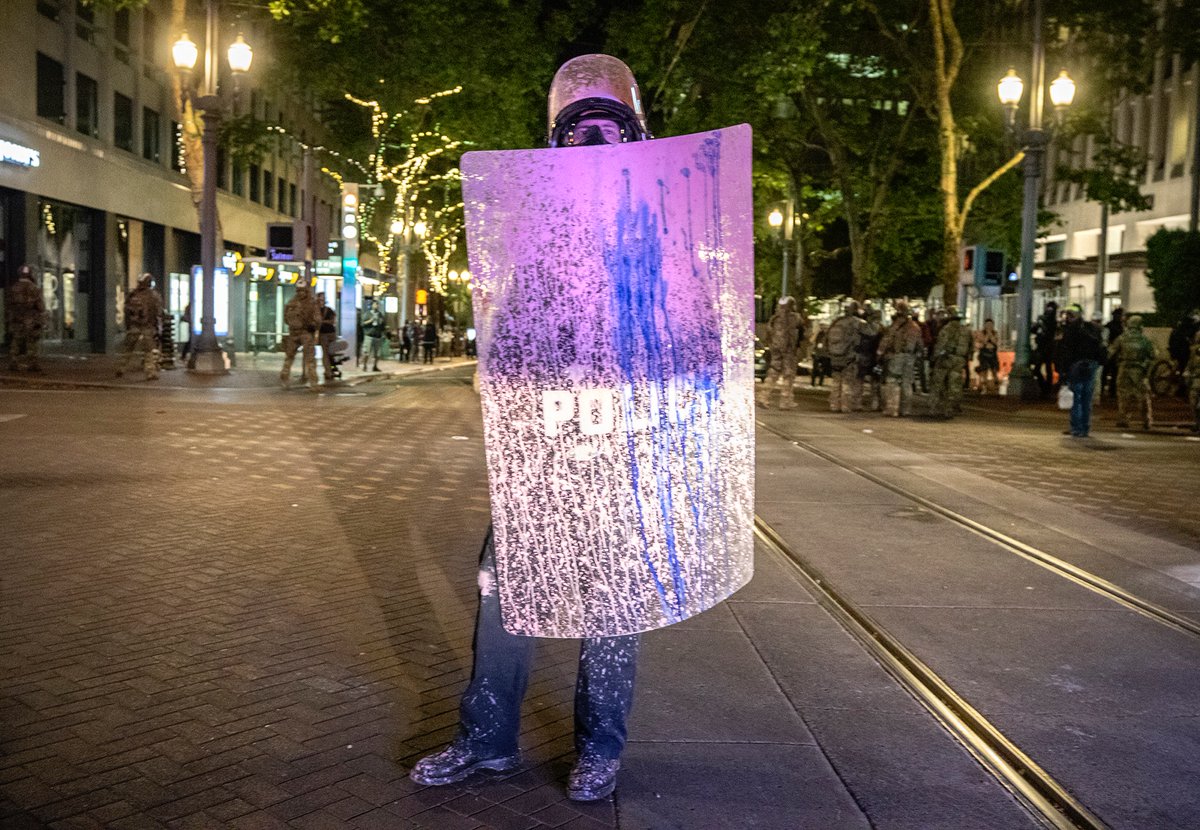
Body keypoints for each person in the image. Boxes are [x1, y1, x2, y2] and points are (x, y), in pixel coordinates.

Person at [409, 53, 656, 805]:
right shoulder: (539, 237)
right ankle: (486, 744)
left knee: (612, 608)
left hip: (618, 451)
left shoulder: (654, 236)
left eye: (607, 134)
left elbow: (689, 343)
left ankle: (599, 749)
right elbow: (507, 341)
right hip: (542, 453)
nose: (591, 150)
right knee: (505, 597)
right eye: (578, 135)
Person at [1056, 304, 1106, 438]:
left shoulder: (1070, 330)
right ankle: (1085, 428)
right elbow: (1100, 348)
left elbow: (1066, 352)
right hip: (1091, 365)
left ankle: (1076, 428)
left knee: (1077, 397)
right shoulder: (1091, 328)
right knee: (1086, 398)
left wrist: (1063, 372)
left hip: (1076, 365)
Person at [1108, 314, 1156, 430]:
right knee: (1143, 396)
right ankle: (1146, 420)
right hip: (1139, 371)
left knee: (1123, 395)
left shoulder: (1122, 338)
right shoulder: (1145, 340)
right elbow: (1153, 355)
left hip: (1124, 369)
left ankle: (1123, 419)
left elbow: (1110, 352)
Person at [877, 301, 923, 417]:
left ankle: (892, 409)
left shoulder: (895, 326)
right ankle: (906, 409)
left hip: (896, 357)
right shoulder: (915, 327)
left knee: (892, 382)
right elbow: (920, 345)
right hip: (910, 358)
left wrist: (879, 354)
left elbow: (886, 341)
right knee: (907, 383)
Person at [756, 296, 801, 409]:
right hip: (788, 351)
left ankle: (763, 397)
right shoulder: (794, 317)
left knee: (773, 373)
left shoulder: (774, 319)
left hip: (775, 350)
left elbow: (768, 336)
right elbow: (800, 332)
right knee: (788, 375)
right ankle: (785, 401)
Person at [928, 305, 972, 418]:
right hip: (959, 360)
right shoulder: (966, 330)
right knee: (954, 385)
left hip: (946, 358)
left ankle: (933, 408)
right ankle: (950, 409)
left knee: (937, 383)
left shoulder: (946, 329)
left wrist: (934, 358)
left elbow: (940, 345)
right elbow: (970, 348)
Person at [116, 273, 162, 380]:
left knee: (127, 349)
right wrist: (157, 327)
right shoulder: (153, 295)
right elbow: (158, 312)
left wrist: (128, 325)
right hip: (147, 326)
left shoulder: (132, 295)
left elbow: (126, 311)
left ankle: (121, 368)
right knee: (148, 351)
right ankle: (150, 372)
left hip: (133, 326)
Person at [825, 301, 864, 412]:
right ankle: (845, 406)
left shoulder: (836, 322)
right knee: (847, 382)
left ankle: (834, 405)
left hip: (835, 356)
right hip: (848, 356)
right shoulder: (857, 323)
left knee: (836, 382)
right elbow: (871, 332)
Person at [5, 264, 45, 372]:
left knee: (16, 340)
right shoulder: (35, 288)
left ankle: (13, 361)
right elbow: (41, 306)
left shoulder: (13, 288)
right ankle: (32, 363)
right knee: (32, 341)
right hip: (31, 319)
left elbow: (8, 304)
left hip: (16, 318)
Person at [280, 281, 320, 387]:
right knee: (310, 359)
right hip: (306, 333)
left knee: (289, 357)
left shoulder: (291, 302)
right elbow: (317, 319)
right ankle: (313, 382)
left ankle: (284, 378)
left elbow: (285, 319)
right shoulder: (311, 303)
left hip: (293, 333)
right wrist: (315, 328)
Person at [857, 307, 884, 411]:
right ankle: (875, 403)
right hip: (876, 358)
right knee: (876, 381)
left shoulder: (862, 327)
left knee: (860, 380)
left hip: (863, 356)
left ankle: (857, 403)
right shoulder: (882, 329)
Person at [1032, 301, 1058, 394]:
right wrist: (1037, 324)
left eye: (1051, 309)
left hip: (1048, 347)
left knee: (1047, 368)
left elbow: (1050, 331)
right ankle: (1045, 387)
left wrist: (1042, 322)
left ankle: (1047, 389)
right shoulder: (1042, 319)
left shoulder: (1053, 321)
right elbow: (1034, 330)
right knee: (1037, 369)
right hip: (1041, 346)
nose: (1049, 311)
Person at [1101, 307, 1124, 400]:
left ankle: (1106, 391)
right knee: (1113, 372)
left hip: (1110, 352)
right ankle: (1112, 392)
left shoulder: (1109, 326)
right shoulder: (1119, 327)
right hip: (1113, 352)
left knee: (1107, 372)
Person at [975, 318, 1000, 394]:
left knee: (994, 371)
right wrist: (987, 336)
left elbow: (995, 342)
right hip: (984, 354)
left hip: (992, 354)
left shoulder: (995, 333)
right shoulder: (981, 332)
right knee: (984, 371)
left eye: (991, 324)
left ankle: (996, 388)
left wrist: (990, 335)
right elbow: (982, 342)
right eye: (988, 324)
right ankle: (984, 387)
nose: (989, 326)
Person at [317, 292, 338, 383]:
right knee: (326, 353)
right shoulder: (316, 310)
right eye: (320, 299)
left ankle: (331, 369)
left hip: (330, 333)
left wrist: (322, 321)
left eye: (323, 299)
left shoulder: (328, 310)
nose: (322, 301)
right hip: (324, 334)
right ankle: (328, 371)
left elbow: (333, 321)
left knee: (330, 353)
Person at [1185, 331, 1200, 432]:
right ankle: (1197, 423)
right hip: (1196, 380)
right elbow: (1190, 364)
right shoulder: (1194, 350)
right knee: (1193, 403)